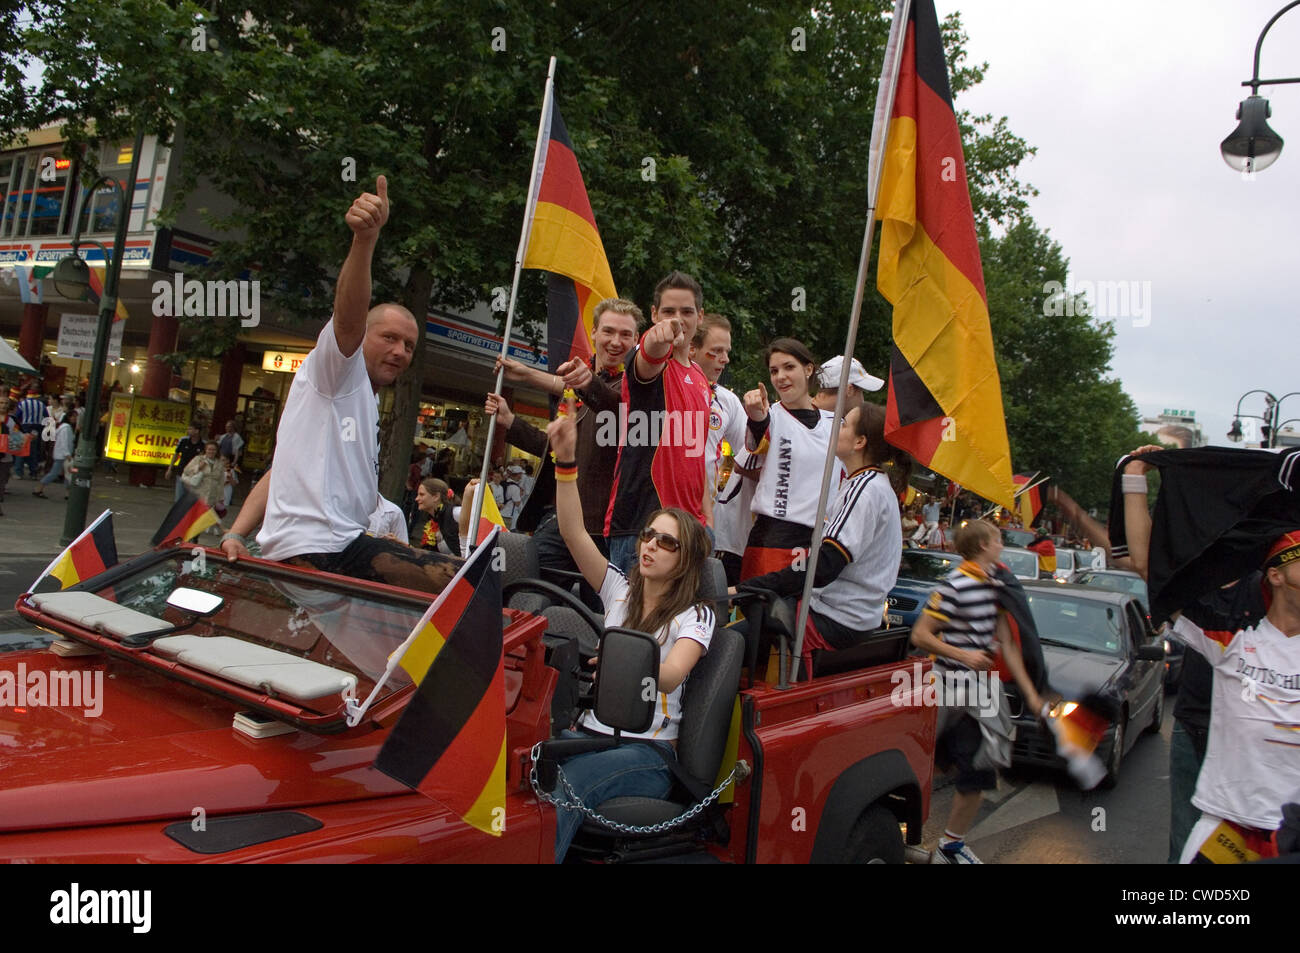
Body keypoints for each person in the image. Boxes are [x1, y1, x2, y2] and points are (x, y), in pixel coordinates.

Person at [219, 176, 459, 595]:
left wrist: (237, 533)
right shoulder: (336, 371)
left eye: (409, 345)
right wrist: (365, 241)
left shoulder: (359, 398)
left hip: (329, 545)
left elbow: (281, 472)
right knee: (467, 584)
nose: (401, 351)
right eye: (389, 337)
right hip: (323, 550)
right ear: (361, 337)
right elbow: (348, 318)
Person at [545, 396, 714, 863]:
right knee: (522, 760)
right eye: (647, 536)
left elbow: (673, 672)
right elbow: (574, 533)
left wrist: (628, 664)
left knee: (565, 785)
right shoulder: (618, 590)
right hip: (591, 733)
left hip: (649, 753)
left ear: (686, 560)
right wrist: (565, 463)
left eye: (667, 542)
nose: (651, 547)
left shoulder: (695, 615)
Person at [1119, 446, 1300, 864]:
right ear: (1275, 573)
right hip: (1228, 834)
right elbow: (1151, 569)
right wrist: (1136, 478)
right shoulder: (1230, 637)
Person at [734, 402, 909, 674]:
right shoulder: (867, 485)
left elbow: (824, 565)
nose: (836, 428)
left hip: (837, 617)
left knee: (731, 640)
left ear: (860, 442)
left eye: (845, 424)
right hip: (850, 614)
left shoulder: (865, 490)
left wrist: (753, 586)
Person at [909, 519, 1045, 864]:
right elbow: (921, 635)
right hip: (947, 691)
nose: (1002, 545)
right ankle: (932, 841)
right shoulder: (955, 585)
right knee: (930, 765)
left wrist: (1031, 694)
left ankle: (950, 845)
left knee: (980, 771)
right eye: (998, 539)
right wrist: (964, 654)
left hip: (980, 693)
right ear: (984, 545)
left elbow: (1009, 646)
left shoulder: (993, 588)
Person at [484, 297, 637, 591]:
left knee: (598, 616)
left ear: (637, 340)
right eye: (608, 331)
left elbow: (615, 407)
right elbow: (556, 446)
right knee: (522, 592)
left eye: (625, 334)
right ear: (593, 333)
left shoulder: (639, 387)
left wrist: (585, 382)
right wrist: (510, 421)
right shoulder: (578, 390)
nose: (616, 341)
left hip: (603, 533)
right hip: (560, 521)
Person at [604, 271, 712, 575]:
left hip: (688, 534)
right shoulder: (649, 356)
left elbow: (696, 457)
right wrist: (657, 339)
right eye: (668, 311)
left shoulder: (701, 379)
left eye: (687, 312)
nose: (677, 320)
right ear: (653, 315)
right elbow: (648, 354)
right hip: (641, 531)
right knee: (630, 623)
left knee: (676, 624)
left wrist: (706, 523)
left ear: (700, 317)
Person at [738, 338, 842, 581]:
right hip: (773, 542)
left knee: (805, 619)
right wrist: (756, 419)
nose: (780, 376)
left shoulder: (836, 424)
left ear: (808, 369)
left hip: (820, 543)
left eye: (789, 367)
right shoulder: (771, 416)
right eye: (774, 371)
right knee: (768, 617)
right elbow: (746, 461)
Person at [691, 313, 747, 533]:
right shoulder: (662, 388)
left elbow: (750, 455)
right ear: (692, 347)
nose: (725, 359)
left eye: (727, 351)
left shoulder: (728, 401)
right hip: (658, 514)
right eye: (717, 351)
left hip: (703, 521)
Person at [811, 356, 884, 413]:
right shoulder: (822, 426)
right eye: (861, 391)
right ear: (849, 390)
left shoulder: (807, 415)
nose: (863, 400)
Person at [411, 476, 462, 557]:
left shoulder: (455, 512)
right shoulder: (434, 520)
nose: (416, 499)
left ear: (436, 497)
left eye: (421, 494)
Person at [32, 411, 76, 499]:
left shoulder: (63, 427)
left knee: (66, 474)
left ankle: (68, 493)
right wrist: (67, 454)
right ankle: (38, 489)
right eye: (74, 416)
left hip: (61, 454)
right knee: (58, 473)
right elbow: (64, 442)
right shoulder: (66, 428)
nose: (75, 419)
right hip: (63, 455)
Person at [166, 424, 205, 502]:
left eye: (190, 429)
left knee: (190, 500)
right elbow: (176, 454)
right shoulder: (184, 440)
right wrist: (170, 469)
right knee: (179, 498)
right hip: (182, 472)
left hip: (194, 475)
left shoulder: (203, 444)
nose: (188, 431)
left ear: (197, 431)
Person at [180, 440, 224, 509]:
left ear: (217, 451)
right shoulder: (198, 459)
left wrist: (221, 498)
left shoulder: (220, 464)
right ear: (205, 450)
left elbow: (221, 482)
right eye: (209, 449)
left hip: (212, 497)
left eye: (214, 450)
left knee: (207, 518)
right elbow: (186, 471)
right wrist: (198, 467)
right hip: (198, 494)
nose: (211, 452)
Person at [14, 387, 44, 479]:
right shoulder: (41, 404)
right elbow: (46, 416)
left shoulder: (22, 404)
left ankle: (19, 473)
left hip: (24, 427)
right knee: (33, 451)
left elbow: (17, 416)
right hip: (36, 428)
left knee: (21, 450)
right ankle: (33, 473)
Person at [0, 396, 22, 511]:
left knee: (2, 481)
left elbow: (17, 438)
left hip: (5, 456)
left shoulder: (12, 421)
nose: (3, 405)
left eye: (5, 403)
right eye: (1, 402)